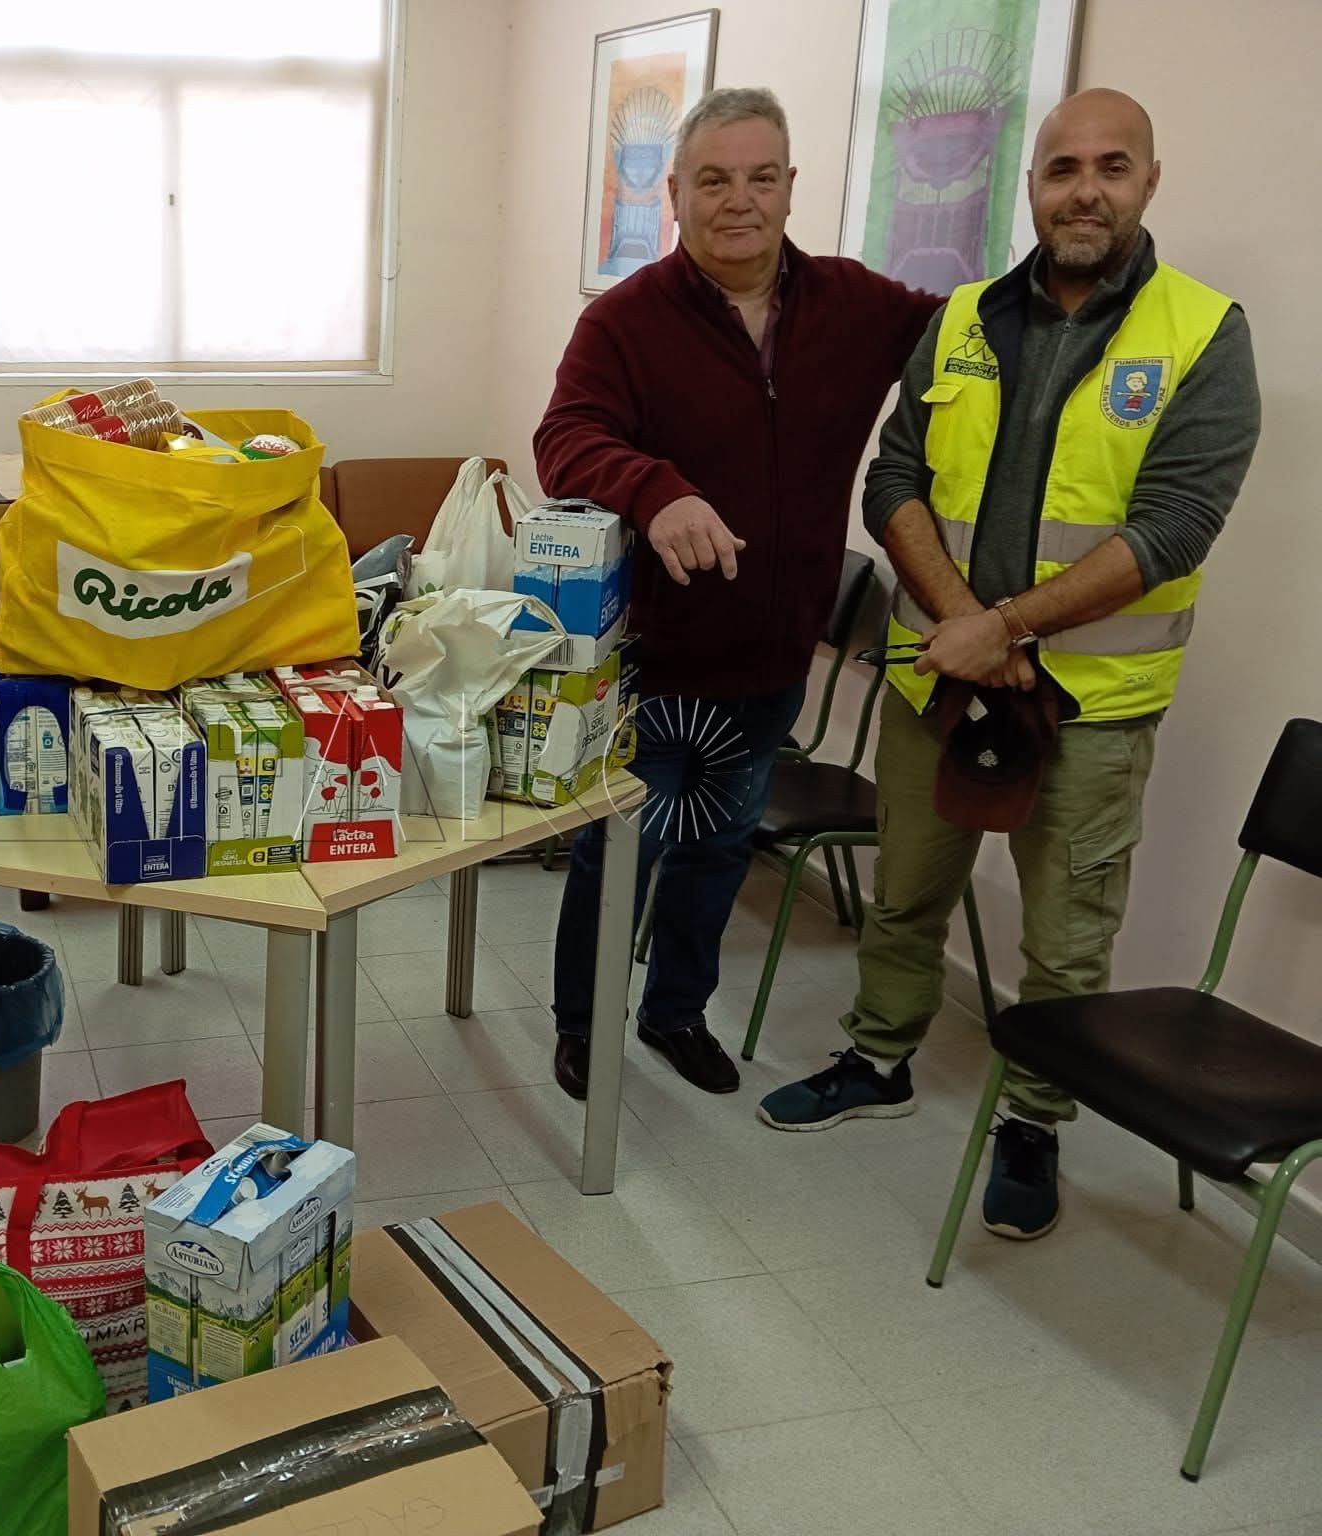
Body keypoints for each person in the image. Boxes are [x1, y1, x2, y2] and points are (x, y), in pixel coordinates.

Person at [756, 90, 1261, 1242]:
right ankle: (879, 1057)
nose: (1086, 188)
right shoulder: (967, 318)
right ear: (1032, 183)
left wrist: (1011, 627)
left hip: (1089, 705)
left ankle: (1034, 1120)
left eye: (1113, 166)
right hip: (940, 674)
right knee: (904, 893)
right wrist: (964, 621)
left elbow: (1174, 525)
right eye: (1062, 167)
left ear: (1150, 180)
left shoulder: (1200, 333)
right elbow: (895, 477)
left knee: (1065, 940)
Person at [536, 87, 940, 1099]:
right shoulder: (624, 320)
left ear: (792, 187)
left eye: (762, 177)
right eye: (713, 180)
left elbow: (970, 335)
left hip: (773, 653)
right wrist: (654, 488)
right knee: (616, 849)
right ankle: (583, 1024)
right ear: (674, 193)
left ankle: (676, 1012)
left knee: (719, 848)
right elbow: (565, 442)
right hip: (656, 655)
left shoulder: (857, 305)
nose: (739, 200)